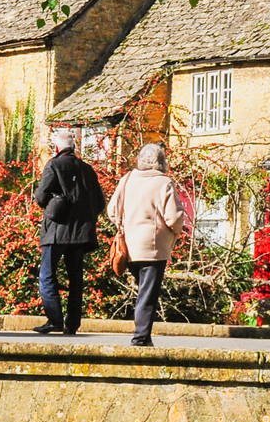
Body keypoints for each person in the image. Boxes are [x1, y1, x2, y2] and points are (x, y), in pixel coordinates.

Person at [107, 143, 184, 347]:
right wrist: (176, 231)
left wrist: (124, 225)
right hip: (153, 248)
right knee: (147, 293)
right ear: (161, 162)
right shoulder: (164, 183)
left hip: (129, 247)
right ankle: (140, 337)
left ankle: (144, 336)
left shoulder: (127, 179)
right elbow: (173, 218)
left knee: (143, 291)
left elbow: (112, 211)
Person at [33, 127, 105, 336]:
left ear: (56, 147)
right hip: (81, 233)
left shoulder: (54, 165)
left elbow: (40, 197)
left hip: (56, 231)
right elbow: (100, 202)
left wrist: (55, 206)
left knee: (47, 274)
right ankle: (72, 323)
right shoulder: (88, 170)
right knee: (76, 278)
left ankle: (54, 319)